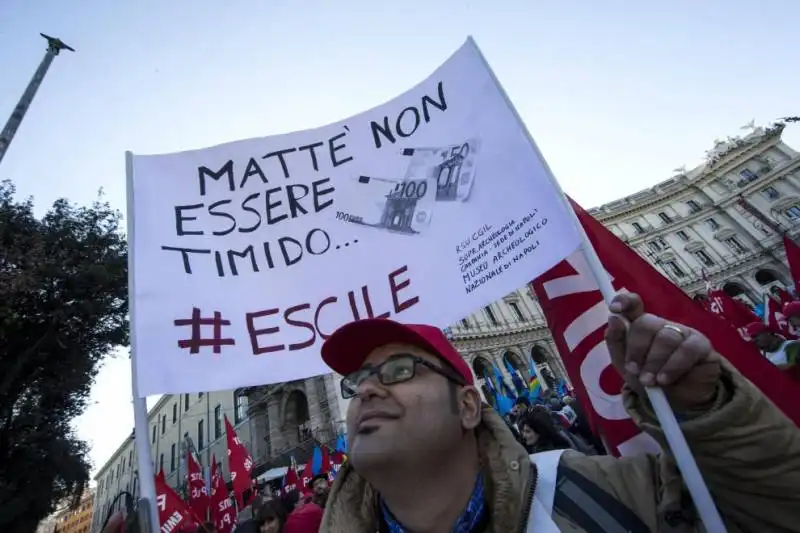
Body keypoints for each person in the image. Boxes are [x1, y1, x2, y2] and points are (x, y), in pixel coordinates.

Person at [318, 292, 800, 532]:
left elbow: (776, 511)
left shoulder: (612, 492)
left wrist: (710, 411)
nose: (368, 392)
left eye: (400, 370)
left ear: (468, 406)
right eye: (357, 381)